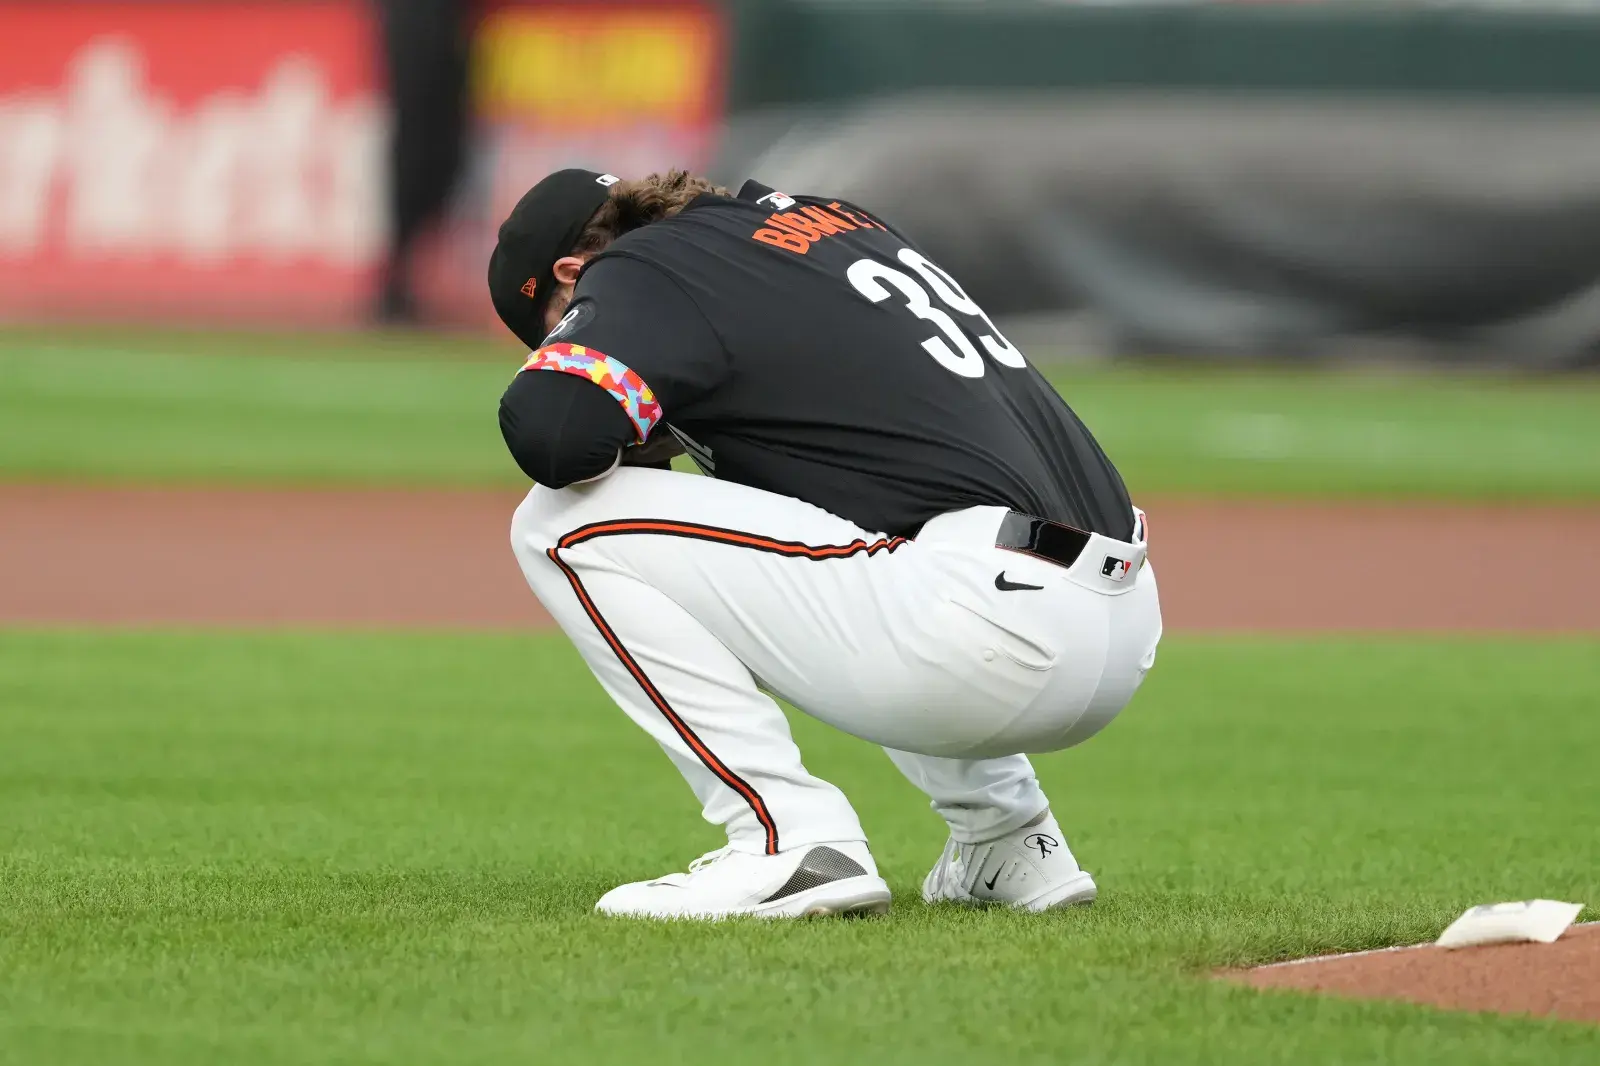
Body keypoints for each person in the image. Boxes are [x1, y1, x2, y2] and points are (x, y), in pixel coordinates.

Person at [489, 169, 1161, 920]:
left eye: (566, 318)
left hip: (986, 628)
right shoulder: (827, 222)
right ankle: (1011, 841)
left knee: (557, 523)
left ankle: (788, 842)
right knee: (828, 514)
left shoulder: (645, 263)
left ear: (575, 273)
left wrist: (637, 423)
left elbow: (554, 429)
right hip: (1117, 612)